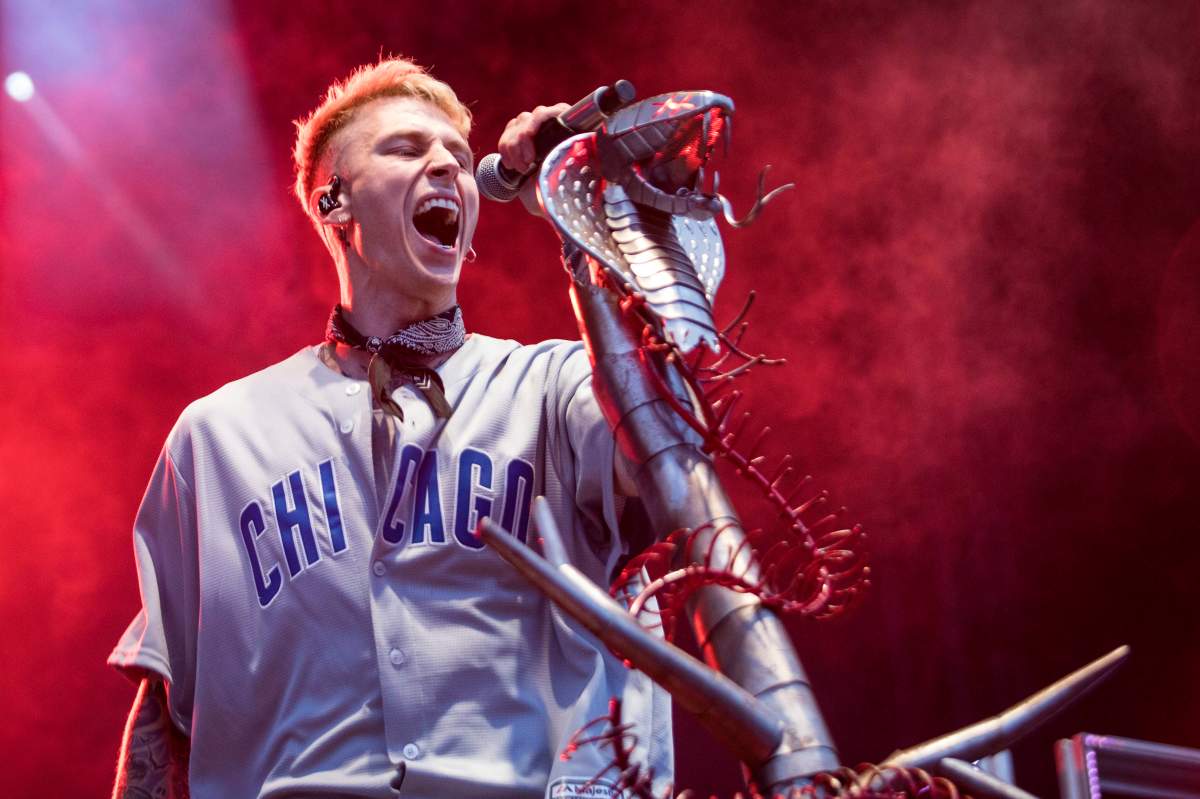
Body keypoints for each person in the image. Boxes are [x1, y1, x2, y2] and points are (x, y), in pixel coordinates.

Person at [109, 57, 672, 799]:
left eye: (462, 161)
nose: (446, 166)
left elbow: (674, 429)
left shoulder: (557, 386)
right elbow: (167, 715)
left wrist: (600, 221)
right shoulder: (216, 437)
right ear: (333, 202)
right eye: (406, 149)